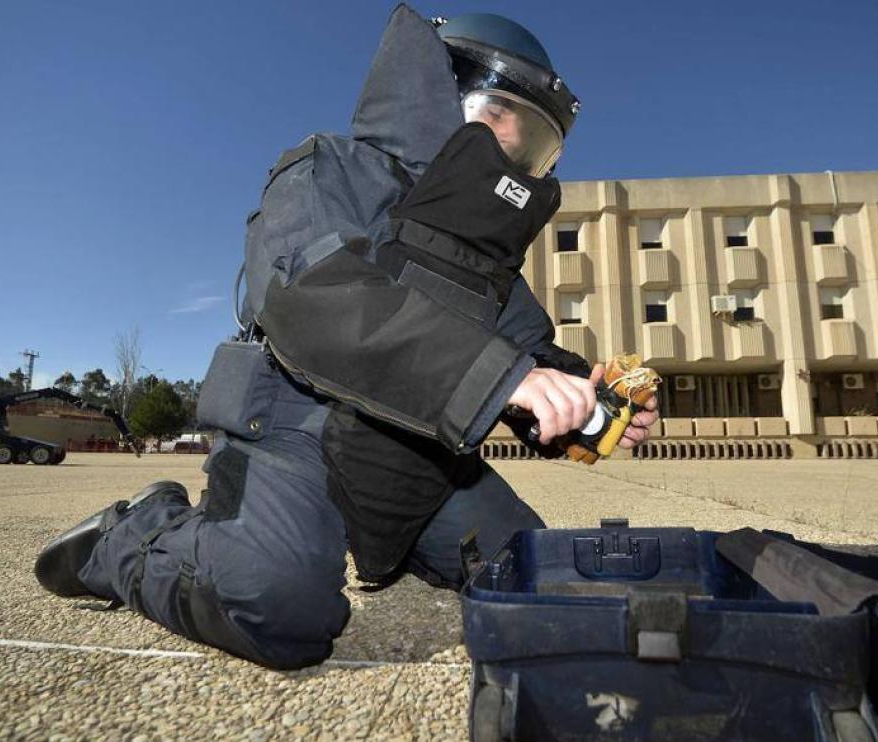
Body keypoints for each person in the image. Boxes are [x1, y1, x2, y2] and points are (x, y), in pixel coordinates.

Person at [34, 5, 658, 670]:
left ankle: (394, 542)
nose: (511, 147)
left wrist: (592, 406)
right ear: (440, 94)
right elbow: (315, 296)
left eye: (531, 138)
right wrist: (510, 379)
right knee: (276, 607)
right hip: (296, 431)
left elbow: (525, 353)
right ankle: (134, 535)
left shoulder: (485, 255)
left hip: (416, 460)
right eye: (500, 117)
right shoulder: (331, 167)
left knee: (533, 571)